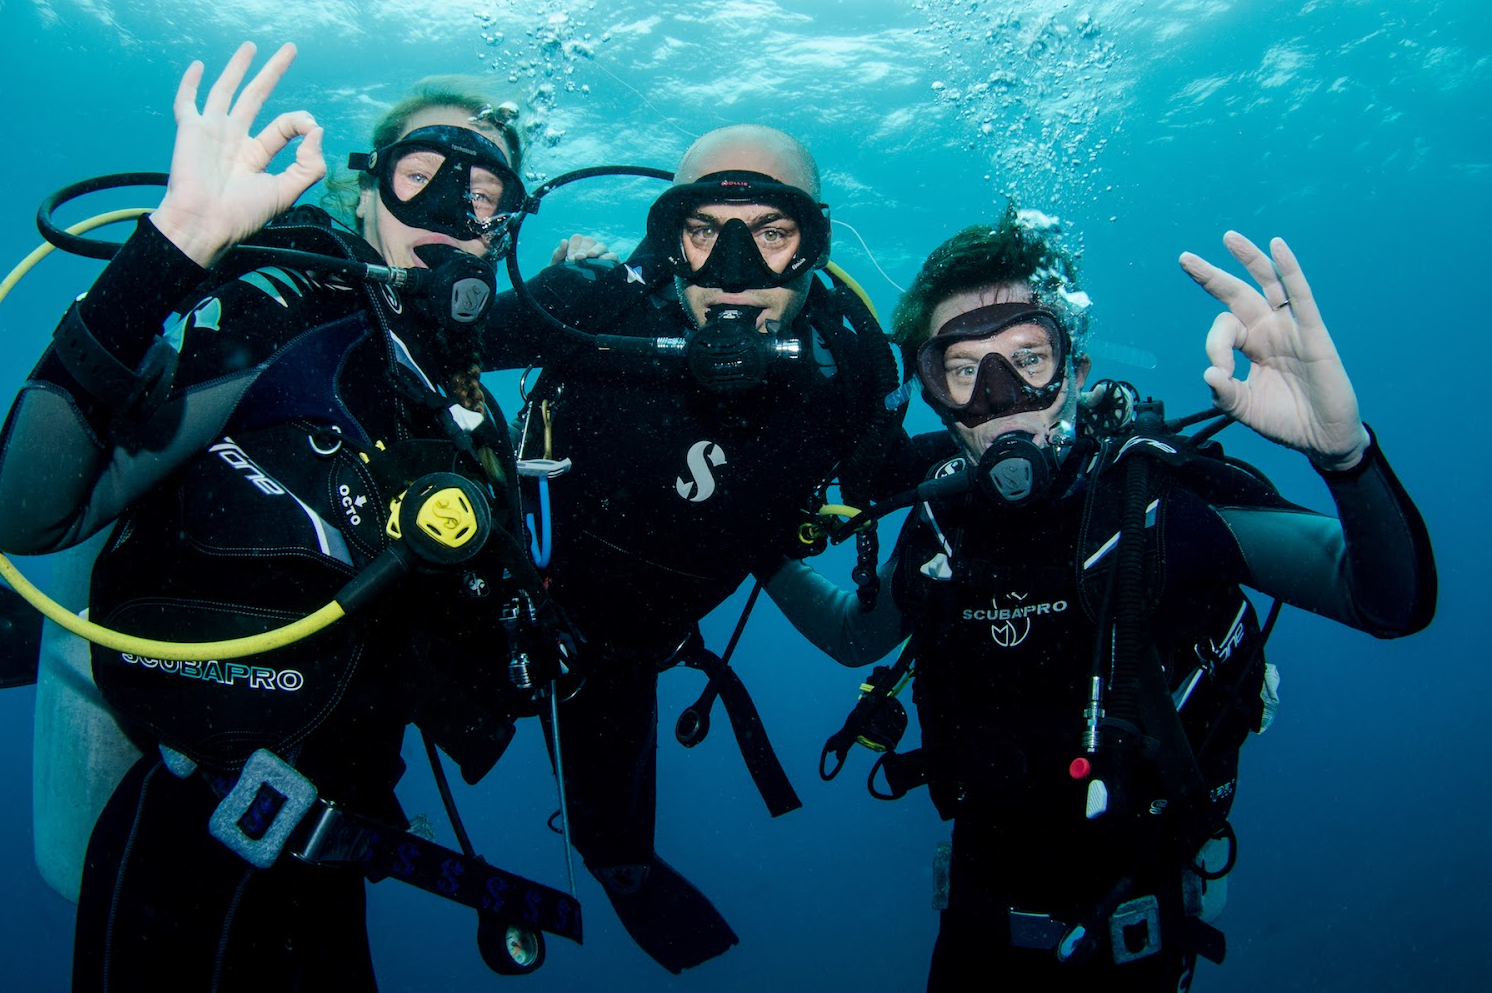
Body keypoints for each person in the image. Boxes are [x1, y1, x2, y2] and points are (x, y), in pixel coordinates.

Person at [0, 42, 577, 990]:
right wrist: (174, 244)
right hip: (187, 842)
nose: (446, 211)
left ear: (506, 226)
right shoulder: (289, 312)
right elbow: (31, 515)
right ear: (368, 193)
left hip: (336, 863)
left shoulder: (465, 412)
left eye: (480, 196)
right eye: (419, 177)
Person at [763, 209, 1436, 989]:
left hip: (1138, 943)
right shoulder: (936, 523)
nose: (1001, 396)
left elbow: (1389, 602)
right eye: (964, 369)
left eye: (1029, 359)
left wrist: (1344, 455)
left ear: (1074, 372)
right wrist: (757, 554)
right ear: (931, 395)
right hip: (976, 931)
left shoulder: (1161, 502)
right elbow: (856, 637)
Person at [479, 123, 916, 972]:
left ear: (815, 244)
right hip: (511, 592)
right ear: (669, 238)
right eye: (708, 231)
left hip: (631, 652)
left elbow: (896, 476)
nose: (737, 272)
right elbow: (412, 340)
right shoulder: (600, 310)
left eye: (775, 234)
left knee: (619, 858)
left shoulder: (851, 364)